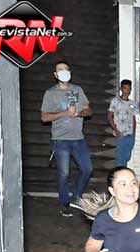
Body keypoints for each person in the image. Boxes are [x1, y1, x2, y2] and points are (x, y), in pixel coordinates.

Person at [40, 60, 93, 217]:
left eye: (66, 69)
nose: (63, 72)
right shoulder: (50, 93)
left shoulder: (78, 90)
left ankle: (76, 197)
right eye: (60, 70)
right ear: (55, 75)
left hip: (78, 138)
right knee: (63, 173)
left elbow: (88, 110)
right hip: (60, 140)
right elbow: (44, 117)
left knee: (87, 169)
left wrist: (79, 113)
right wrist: (65, 113)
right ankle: (65, 203)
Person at [107, 79, 139, 168]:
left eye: (129, 89)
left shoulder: (133, 103)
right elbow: (109, 116)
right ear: (121, 89)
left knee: (127, 157)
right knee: (120, 159)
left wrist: (134, 134)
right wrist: (116, 130)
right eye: (125, 88)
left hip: (130, 134)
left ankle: (122, 171)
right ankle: (120, 174)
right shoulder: (115, 101)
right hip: (120, 133)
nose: (127, 91)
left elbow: (133, 118)